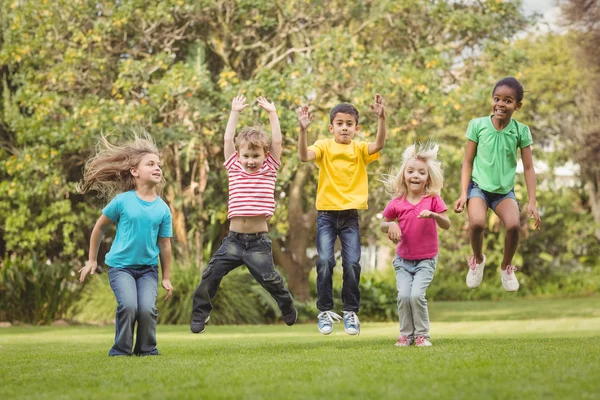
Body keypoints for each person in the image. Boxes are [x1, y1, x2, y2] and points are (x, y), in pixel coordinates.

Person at [190, 95, 297, 333]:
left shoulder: (269, 169)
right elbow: (228, 138)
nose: (250, 161)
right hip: (234, 241)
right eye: (246, 156)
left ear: (265, 155)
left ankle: (286, 302)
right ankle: (200, 312)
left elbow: (277, 142)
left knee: (269, 278)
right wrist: (234, 111)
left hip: (258, 242)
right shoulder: (234, 168)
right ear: (238, 155)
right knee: (211, 274)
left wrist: (272, 113)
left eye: (255, 156)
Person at [297, 94, 386, 335]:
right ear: (331, 127)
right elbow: (304, 156)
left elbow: (378, 145)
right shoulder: (324, 145)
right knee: (325, 261)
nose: (344, 128)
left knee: (353, 263)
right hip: (326, 214)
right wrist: (303, 131)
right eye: (340, 123)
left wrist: (381, 118)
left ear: (356, 129)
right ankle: (324, 311)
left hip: (350, 217)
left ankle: (350, 312)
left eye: (349, 124)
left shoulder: (359, 149)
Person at [78, 133, 173, 356]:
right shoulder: (122, 201)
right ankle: (120, 350)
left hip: (148, 269)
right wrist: (92, 260)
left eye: (159, 164)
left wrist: (166, 277)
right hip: (121, 267)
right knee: (129, 306)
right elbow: (99, 228)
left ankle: (147, 350)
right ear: (134, 171)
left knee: (147, 310)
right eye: (150, 164)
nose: (157, 167)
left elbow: (165, 244)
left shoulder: (163, 209)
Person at [454, 77, 542, 292]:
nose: (501, 104)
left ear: (517, 106)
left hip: (504, 192)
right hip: (478, 188)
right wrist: (463, 194)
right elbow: (467, 162)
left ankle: (506, 267)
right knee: (476, 224)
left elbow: (529, 168)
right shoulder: (478, 125)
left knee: (513, 226)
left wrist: (532, 201)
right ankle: (477, 260)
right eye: (497, 99)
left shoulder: (521, 131)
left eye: (508, 100)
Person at [380, 142, 450, 347]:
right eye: (410, 171)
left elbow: (447, 224)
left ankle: (422, 335)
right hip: (403, 260)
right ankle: (406, 335)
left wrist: (435, 215)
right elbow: (382, 224)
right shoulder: (397, 202)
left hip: (426, 259)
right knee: (403, 296)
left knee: (417, 295)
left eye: (421, 172)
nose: (415, 176)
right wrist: (390, 225)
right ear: (404, 175)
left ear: (428, 177)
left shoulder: (433, 199)